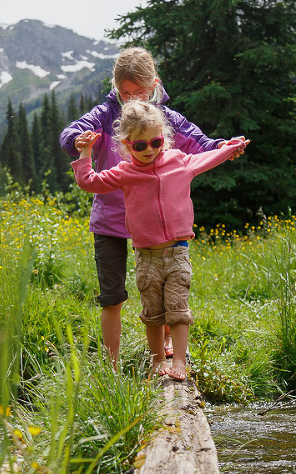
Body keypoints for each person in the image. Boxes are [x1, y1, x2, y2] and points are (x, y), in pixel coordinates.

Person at [59, 46, 247, 369]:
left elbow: (198, 142)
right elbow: (70, 133)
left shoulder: (165, 118)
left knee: (159, 286)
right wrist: (78, 141)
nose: (132, 99)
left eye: (139, 92)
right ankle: (112, 369)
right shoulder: (106, 115)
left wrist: (221, 147)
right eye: (125, 92)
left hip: (150, 228)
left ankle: (166, 352)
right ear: (116, 88)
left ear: (154, 85)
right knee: (113, 297)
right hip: (111, 222)